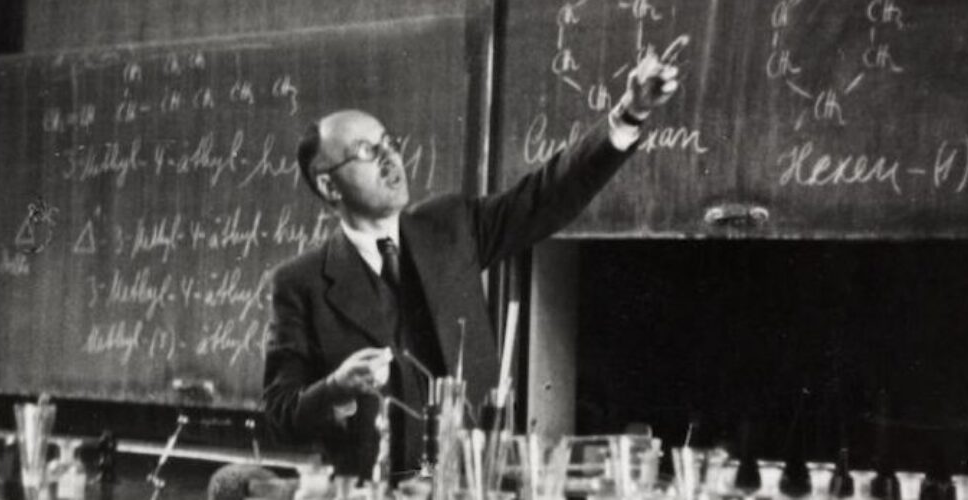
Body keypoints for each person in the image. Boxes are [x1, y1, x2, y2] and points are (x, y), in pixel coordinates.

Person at [262, 51, 681, 479]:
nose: (391, 158)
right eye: (368, 152)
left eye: (391, 143)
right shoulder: (300, 283)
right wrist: (334, 388)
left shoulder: (450, 227)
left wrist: (630, 114)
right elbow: (279, 417)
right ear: (329, 184)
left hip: (476, 485)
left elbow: (547, 195)